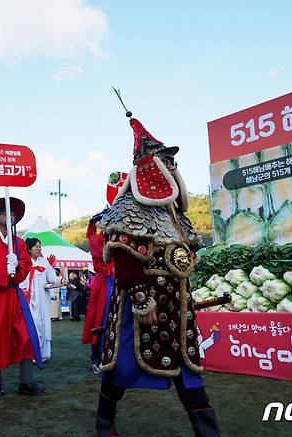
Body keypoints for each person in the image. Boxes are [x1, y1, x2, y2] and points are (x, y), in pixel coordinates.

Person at [94, 112, 220, 436]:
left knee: (188, 369)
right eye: (168, 161)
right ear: (152, 166)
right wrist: (140, 297)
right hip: (142, 305)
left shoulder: (174, 215)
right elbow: (123, 256)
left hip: (177, 303)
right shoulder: (130, 209)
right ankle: (104, 422)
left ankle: (208, 432)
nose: (174, 167)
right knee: (121, 363)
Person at [0, 197, 44, 396]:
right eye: (6, 212)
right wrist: (5, 270)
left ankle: (26, 382)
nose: (12, 215)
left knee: (26, 335)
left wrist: (18, 267)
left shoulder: (19, 243)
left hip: (13, 295)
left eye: (13, 213)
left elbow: (25, 267)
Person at [20, 237, 62, 362]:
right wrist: (23, 290)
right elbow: (20, 279)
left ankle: (43, 354)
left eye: (40, 246)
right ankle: (33, 353)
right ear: (29, 249)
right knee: (34, 325)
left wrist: (61, 280)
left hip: (43, 299)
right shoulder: (23, 262)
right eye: (36, 246)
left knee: (43, 325)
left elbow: (53, 278)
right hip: (29, 299)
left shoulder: (43, 262)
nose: (39, 248)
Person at [82, 212, 114, 374]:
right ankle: (97, 358)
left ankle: (113, 356)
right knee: (100, 319)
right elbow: (105, 257)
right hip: (103, 285)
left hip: (116, 282)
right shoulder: (96, 240)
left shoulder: (118, 239)